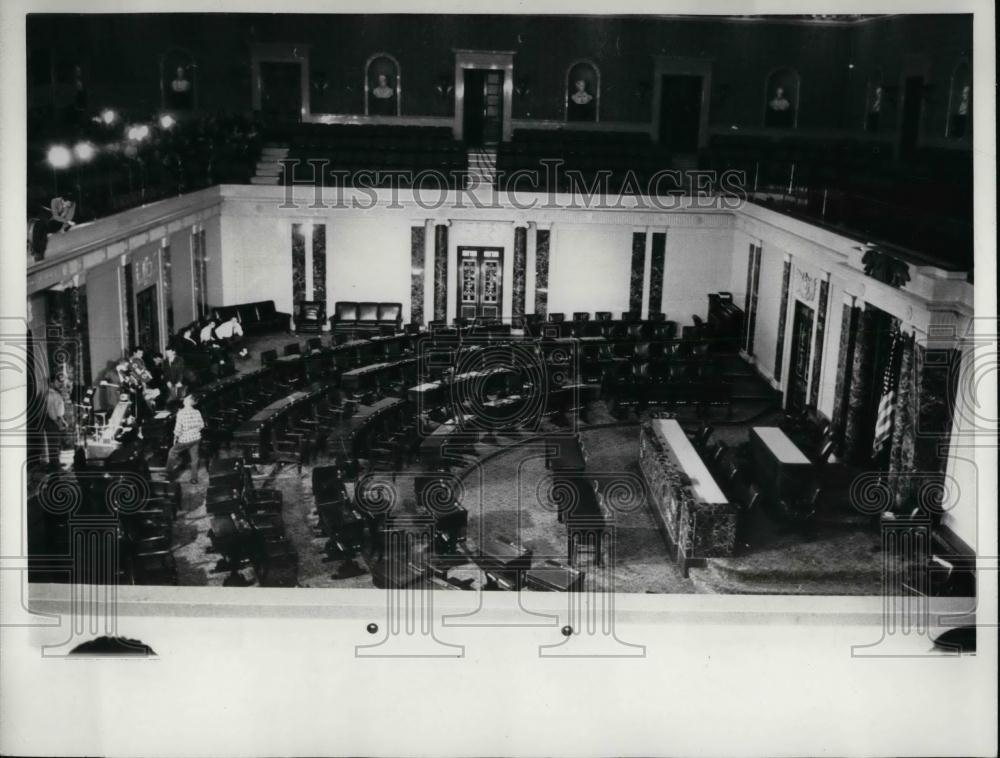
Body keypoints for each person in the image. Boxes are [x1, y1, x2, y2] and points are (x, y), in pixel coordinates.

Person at [165, 393, 204, 484]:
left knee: (172, 452)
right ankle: (194, 478)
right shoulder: (197, 412)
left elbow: (178, 429)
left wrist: (175, 437)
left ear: (190, 401)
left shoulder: (181, 413)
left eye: (186, 397)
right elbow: (201, 425)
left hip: (185, 440)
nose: (184, 398)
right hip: (196, 438)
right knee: (194, 458)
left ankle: (169, 475)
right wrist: (194, 431)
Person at [44, 376, 67, 469]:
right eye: (57, 382)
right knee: (53, 443)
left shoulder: (54, 394)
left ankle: (56, 462)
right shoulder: (51, 395)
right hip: (52, 420)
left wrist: (62, 420)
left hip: (54, 420)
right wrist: (59, 422)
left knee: (55, 443)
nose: (59, 384)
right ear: (51, 383)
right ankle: (54, 465)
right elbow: (53, 412)